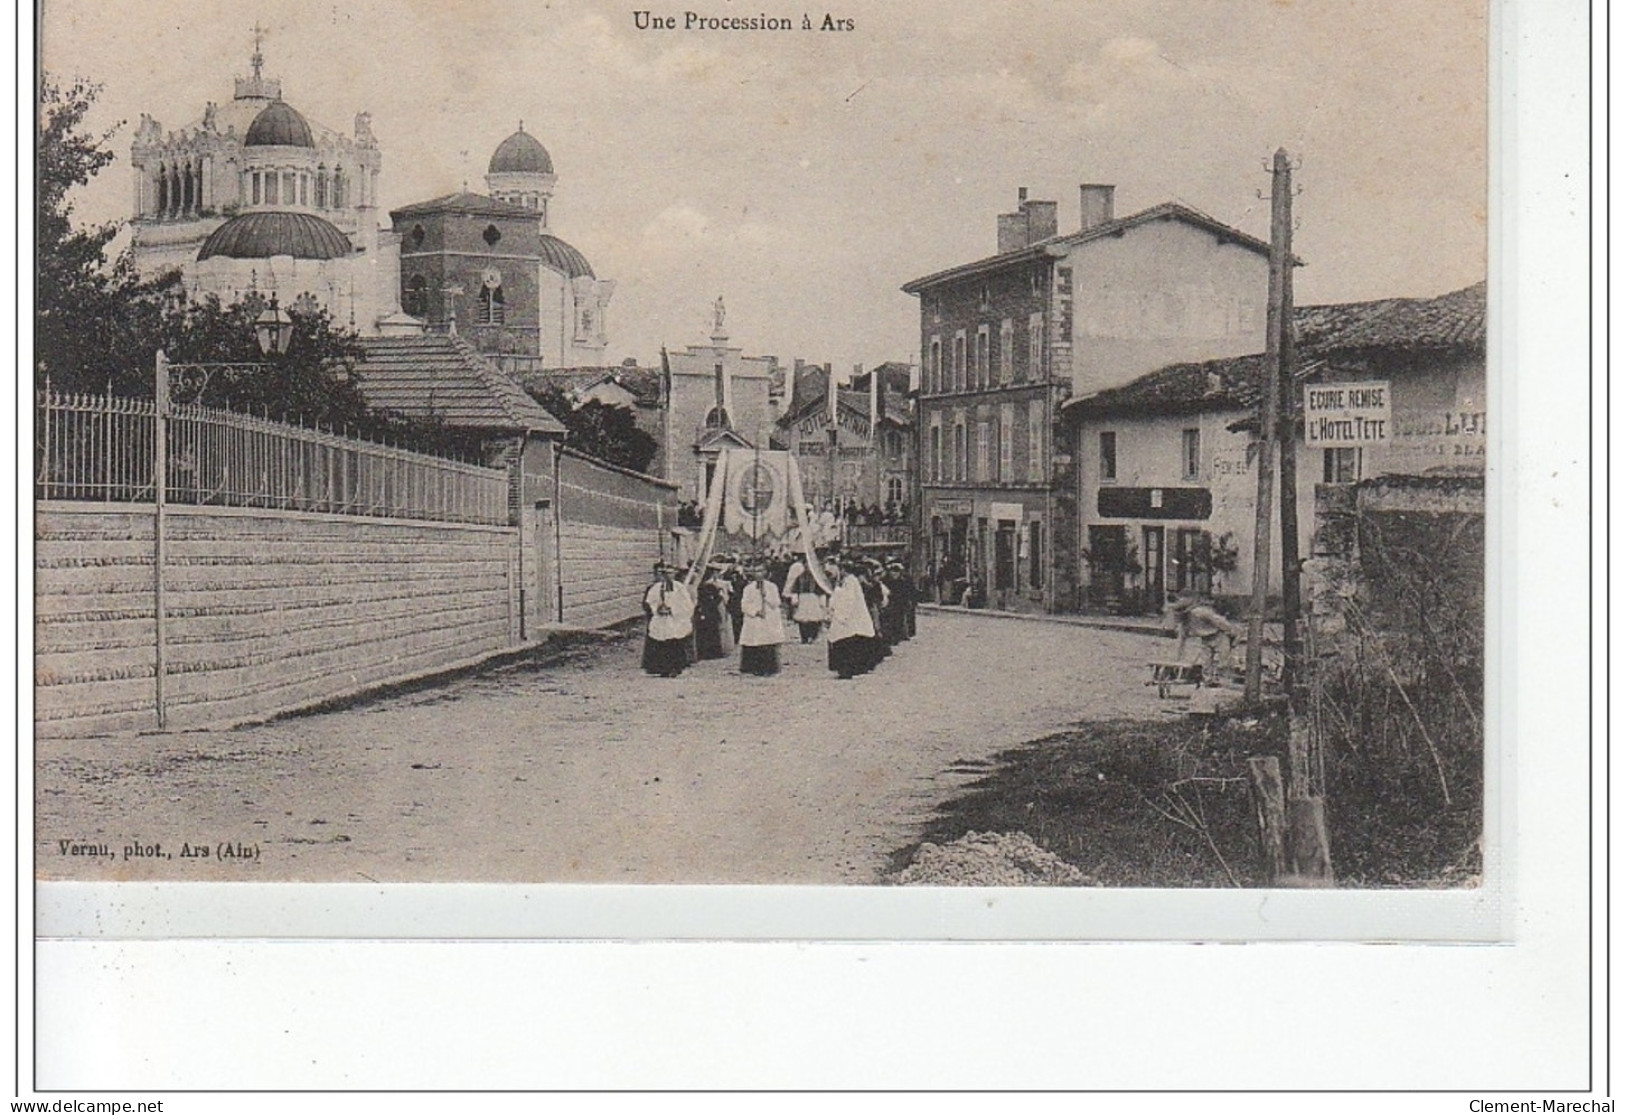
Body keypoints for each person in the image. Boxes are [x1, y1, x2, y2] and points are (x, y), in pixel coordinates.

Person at [1167, 593, 1243, 684]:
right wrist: (1177, 661)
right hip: (1205, 639)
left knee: (1223, 660)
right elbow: (1181, 641)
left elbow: (1220, 622)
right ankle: (1209, 681)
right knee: (1206, 662)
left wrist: (1234, 634)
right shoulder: (1184, 623)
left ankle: (1225, 679)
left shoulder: (1201, 613)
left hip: (1219, 636)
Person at [642, 563, 695, 677]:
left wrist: (673, 609)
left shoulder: (680, 588)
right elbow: (651, 601)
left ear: (675, 574)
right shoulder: (656, 588)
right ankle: (663, 668)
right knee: (662, 642)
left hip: (675, 619)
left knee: (675, 642)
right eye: (665, 574)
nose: (668, 576)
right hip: (662, 619)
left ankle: (676, 668)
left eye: (670, 573)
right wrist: (657, 609)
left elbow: (687, 604)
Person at [826, 561, 876, 679]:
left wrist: (838, 609)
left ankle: (847, 669)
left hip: (848, 616)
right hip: (849, 615)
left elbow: (848, 599)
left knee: (844, 640)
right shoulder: (847, 581)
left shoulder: (850, 581)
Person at [737, 562, 787, 676]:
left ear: (765, 573)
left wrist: (766, 596)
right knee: (755, 641)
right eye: (756, 571)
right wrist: (755, 611)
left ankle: (770, 668)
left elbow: (776, 603)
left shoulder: (772, 587)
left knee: (768, 642)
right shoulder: (748, 588)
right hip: (754, 619)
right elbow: (744, 605)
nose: (758, 574)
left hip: (769, 618)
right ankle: (754, 667)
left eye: (760, 571)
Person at [693, 564, 734, 660]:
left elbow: (718, 598)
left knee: (713, 631)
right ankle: (705, 652)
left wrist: (715, 601)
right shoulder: (702, 586)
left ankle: (714, 651)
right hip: (705, 611)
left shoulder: (711, 586)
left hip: (712, 611)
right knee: (705, 632)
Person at [783, 557, 828, 643]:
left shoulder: (817, 577)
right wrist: (795, 599)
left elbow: (821, 590)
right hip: (803, 599)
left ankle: (813, 636)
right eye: (806, 565)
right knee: (803, 620)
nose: (807, 567)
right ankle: (804, 637)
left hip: (813, 599)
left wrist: (822, 601)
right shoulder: (799, 577)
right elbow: (795, 589)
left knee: (814, 619)